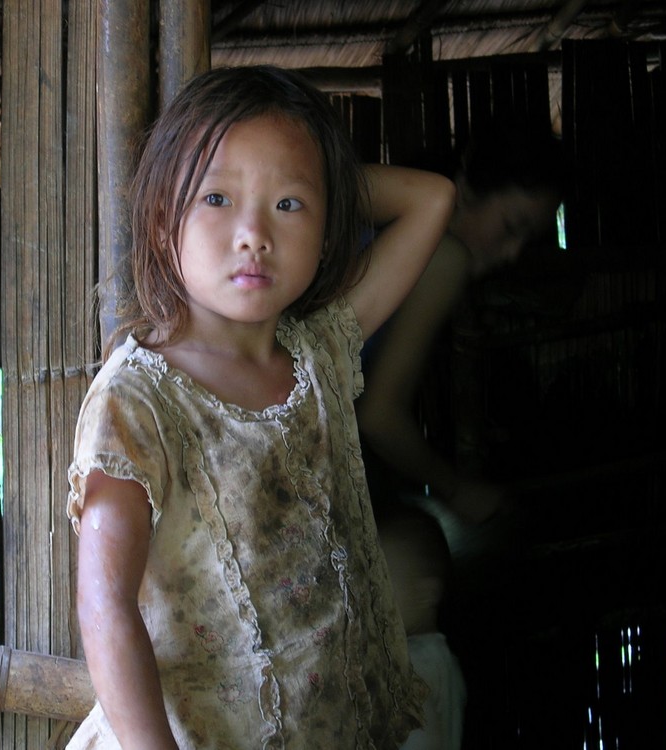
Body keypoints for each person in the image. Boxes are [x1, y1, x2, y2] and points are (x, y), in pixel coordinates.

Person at [65, 65, 455, 749]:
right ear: (161, 221)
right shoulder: (140, 399)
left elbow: (433, 198)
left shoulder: (319, 358)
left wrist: (309, 169)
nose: (253, 232)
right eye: (216, 197)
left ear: (329, 226)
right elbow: (105, 606)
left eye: (288, 206)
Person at [357, 120, 565, 750]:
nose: (508, 255)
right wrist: (456, 490)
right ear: (468, 185)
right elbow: (379, 416)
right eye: (511, 228)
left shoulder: (385, 230)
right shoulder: (439, 252)